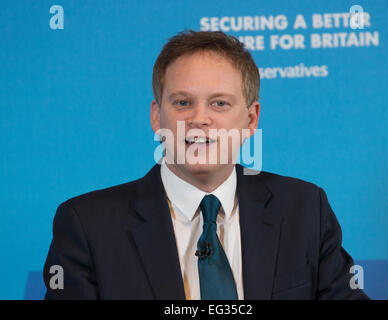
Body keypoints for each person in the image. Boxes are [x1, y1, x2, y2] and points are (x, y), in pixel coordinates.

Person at [43, 30, 369, 300]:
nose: (199, 118)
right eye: (183, 102)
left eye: (219, 103)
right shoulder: (87, 225)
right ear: (157, 116)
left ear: (251, 119)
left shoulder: (305, 209)